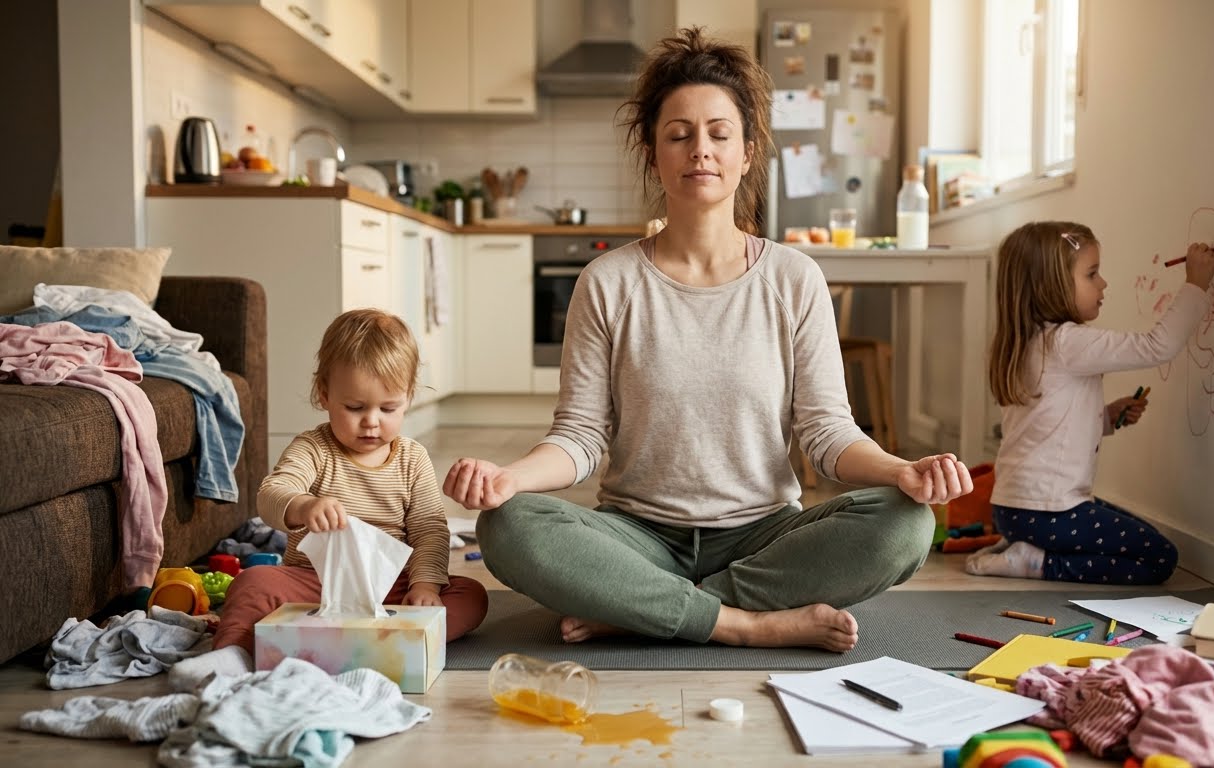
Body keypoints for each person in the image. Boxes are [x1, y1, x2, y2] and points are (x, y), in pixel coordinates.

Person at [443, 27, 973, 653]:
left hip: (764, 535)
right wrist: (509, 477)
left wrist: (902, 470)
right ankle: (743, 623)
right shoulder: (608, 281)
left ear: (747, 151)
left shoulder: (793, 277)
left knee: (904, 525)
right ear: (653, 150)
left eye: (720, 134)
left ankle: (639, 608)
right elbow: (581, 438)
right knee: (508, 526)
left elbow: (827, 434)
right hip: (636, 535)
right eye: (679, 134)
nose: (701, 150)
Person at [170, 309, 488, 689]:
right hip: (315, 584)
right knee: (252, 583)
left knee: (472, 595)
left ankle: (377, 639)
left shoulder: (411, 458)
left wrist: (425, 586)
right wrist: (303, 505)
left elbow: (429, 529)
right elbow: (271, 495)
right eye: (355, 408)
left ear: (408, 399)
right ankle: (235, 654)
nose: (371, 421)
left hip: (390, 589)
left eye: (388, 409)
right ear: (324, 394)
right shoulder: (313, 448)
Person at [966, 222, 1214, 584]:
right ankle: (1038, 563)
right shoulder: (1066, 342)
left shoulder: (1026, 343)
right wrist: (1196, 284)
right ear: (1051, 285)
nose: (1103, 285)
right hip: (1048, 512)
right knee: (1160, 557)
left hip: (1014, 508)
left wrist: (1107, 418)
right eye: (1092, 274)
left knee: (1131, 535)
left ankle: (1021, 547)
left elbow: (1049, 425)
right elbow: (1156, 346)